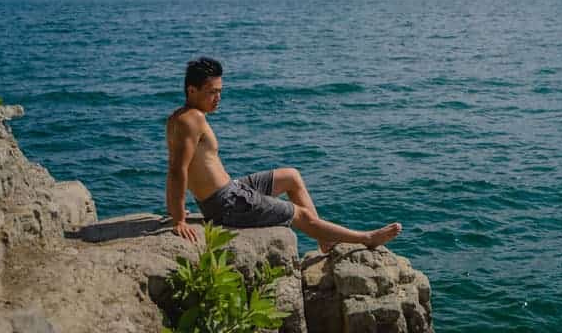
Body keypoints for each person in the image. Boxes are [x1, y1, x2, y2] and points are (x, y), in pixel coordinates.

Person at [165, 56, 402, 250]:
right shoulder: (191, 120)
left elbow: (186, 166)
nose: (218, 98)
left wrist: (176, 207)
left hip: (232, 190)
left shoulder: (179, 117)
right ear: (192, 90)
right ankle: (366, 238)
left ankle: (325, 240)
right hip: (226, 204)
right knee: (299, 215)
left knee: (291, 176)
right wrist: (179, 219)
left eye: (219, 91)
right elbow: (178, 170)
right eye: (211, 92)